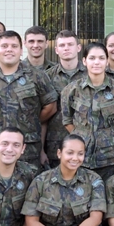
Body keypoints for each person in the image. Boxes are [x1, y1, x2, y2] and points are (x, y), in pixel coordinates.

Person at [0, 30, 58, 165]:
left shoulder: (37, 76)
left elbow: (50, 106)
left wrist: (29, 121)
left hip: (28, 147)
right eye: (4, 46)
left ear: (21, 51)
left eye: (14, 46)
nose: (9, 50)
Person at [60, 42, 114, 182]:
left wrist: (106, 136)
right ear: (84, 61)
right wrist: (82, 137)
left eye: (101, 58)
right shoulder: (72, 90)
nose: (96, 62)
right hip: (81, 155)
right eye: (92, 58)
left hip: (109, 157)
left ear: (107, 61)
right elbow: (67, 120)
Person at [44, 30, 86, 167]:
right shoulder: (47, 77)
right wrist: (40, 149)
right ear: (56, 50)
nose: (66, 48)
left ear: (78, 48)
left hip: (85, 142)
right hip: (55, 142)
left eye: (70, 44)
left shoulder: (90, 74)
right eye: (62, 45)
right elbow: (42, 115)